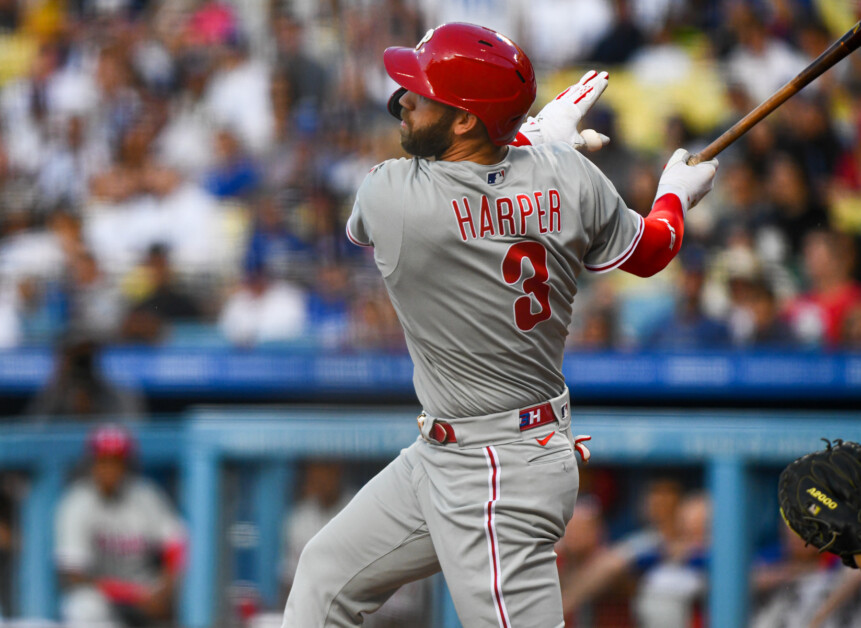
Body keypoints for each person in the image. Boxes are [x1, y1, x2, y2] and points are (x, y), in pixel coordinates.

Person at [282, 22, 718, 627]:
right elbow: (651, 251)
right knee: (326, 575)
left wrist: (536, 140)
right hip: (451, 452)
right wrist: (673, 195)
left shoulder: (393, 198)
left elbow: (448, 195)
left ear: (465, 121)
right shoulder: (571, 178)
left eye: (422, 91)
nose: (402, 100)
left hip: (497, 468)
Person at [54, 424, 187, 627]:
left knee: (189, 587)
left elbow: (177, 544)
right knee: (82, 605)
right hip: (105, 597)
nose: (110, 469)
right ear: (92, 463)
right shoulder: (76, 503)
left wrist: (166, 590)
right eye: (103, 460)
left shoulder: (145, 495)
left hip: (149, 593)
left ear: (127, 464)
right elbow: (74, 574)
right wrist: (130, 595)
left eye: (116, 461)